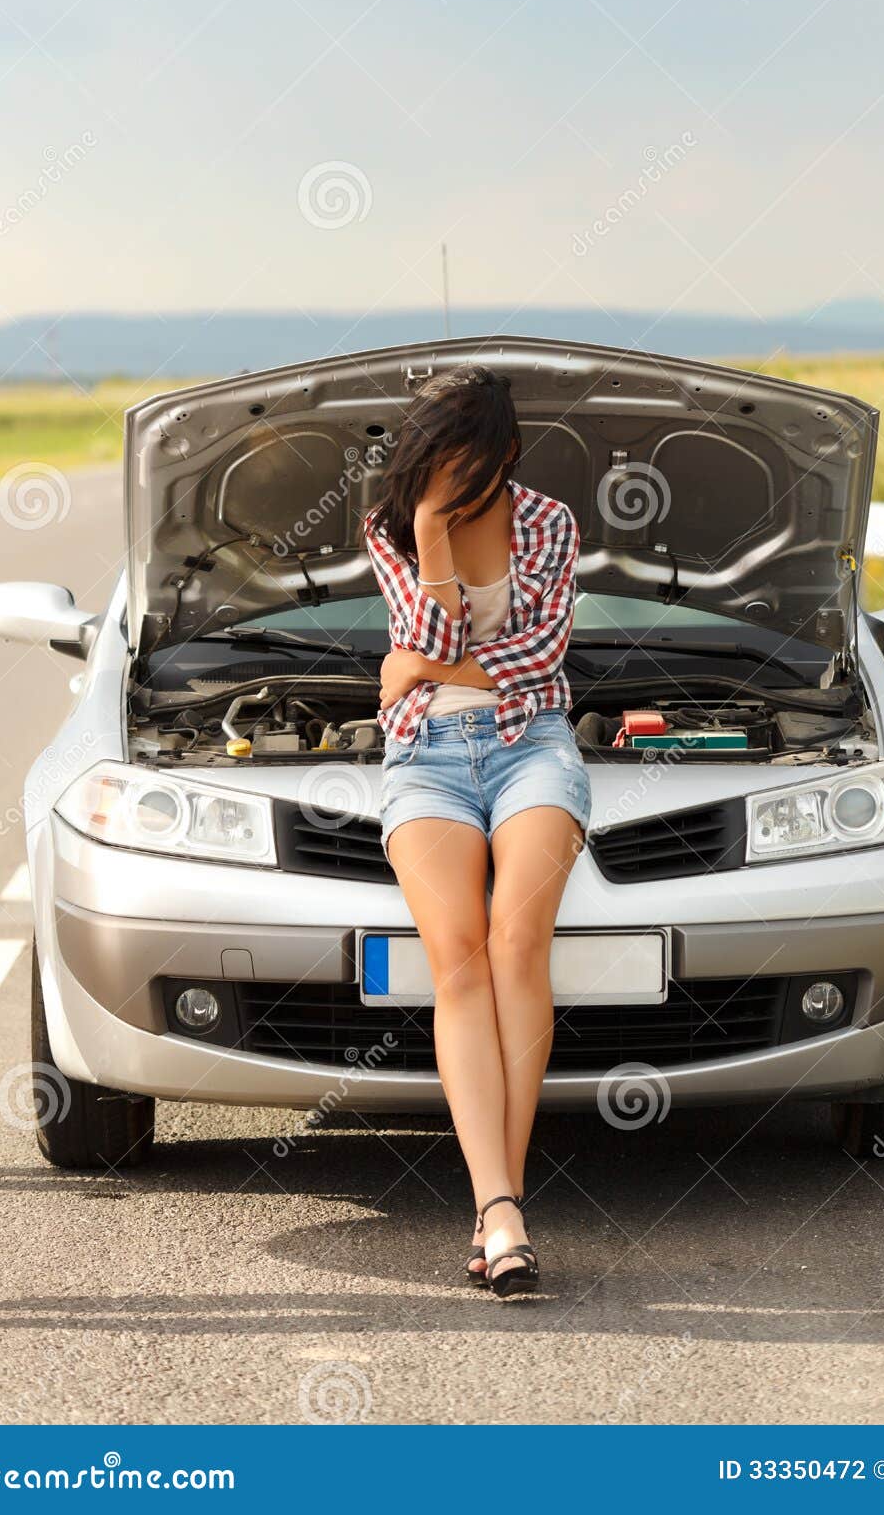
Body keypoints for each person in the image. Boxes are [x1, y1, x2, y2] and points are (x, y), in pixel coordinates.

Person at [364, 363, 591, 1298]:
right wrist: (428, 533)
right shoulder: (394, 524)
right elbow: (443, 641)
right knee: (455, 954)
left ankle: (503, 1205)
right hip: (423, 756)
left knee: (514, 940)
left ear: (503, 452)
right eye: (432, 453)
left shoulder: (549, 523)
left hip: (534, 744)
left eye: (463, 455)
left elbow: (533, 660)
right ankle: (499, 1209)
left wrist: (413, 667)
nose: (446, 471)